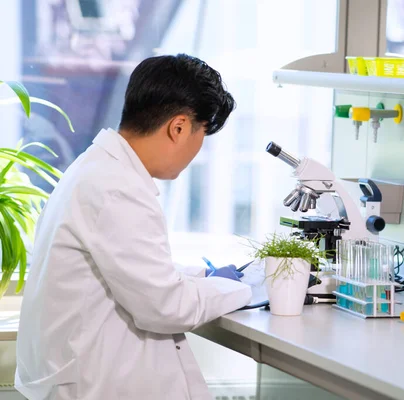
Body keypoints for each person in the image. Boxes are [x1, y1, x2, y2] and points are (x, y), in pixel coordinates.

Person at [15, 54, 252, 400]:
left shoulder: (95, 169)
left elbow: (130, 267)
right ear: (179, 127)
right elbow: (168, 306)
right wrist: (242, 290)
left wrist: (202, 276)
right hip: (95, 385)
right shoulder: (117, 188)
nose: (197, 152)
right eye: (202, 134)